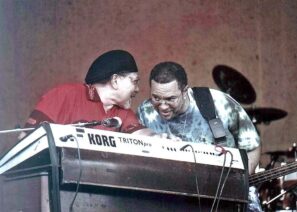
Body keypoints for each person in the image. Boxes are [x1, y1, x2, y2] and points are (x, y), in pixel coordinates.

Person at [136, 61, 262, 211]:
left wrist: (236, 183)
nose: (162, 106)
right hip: (177, 200)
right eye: (156, 98)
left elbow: (252, 146)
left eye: (170, 99)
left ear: (185, 91)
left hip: (229, 198)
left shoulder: (218, 104)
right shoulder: (145, 112)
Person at [21, 49, 154, 137]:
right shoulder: (63, 95)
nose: (137, 89)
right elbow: (26, 140)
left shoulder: (124, 113)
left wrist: (160, 138)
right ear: (115, 80)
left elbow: (141, 135)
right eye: (134, 81)